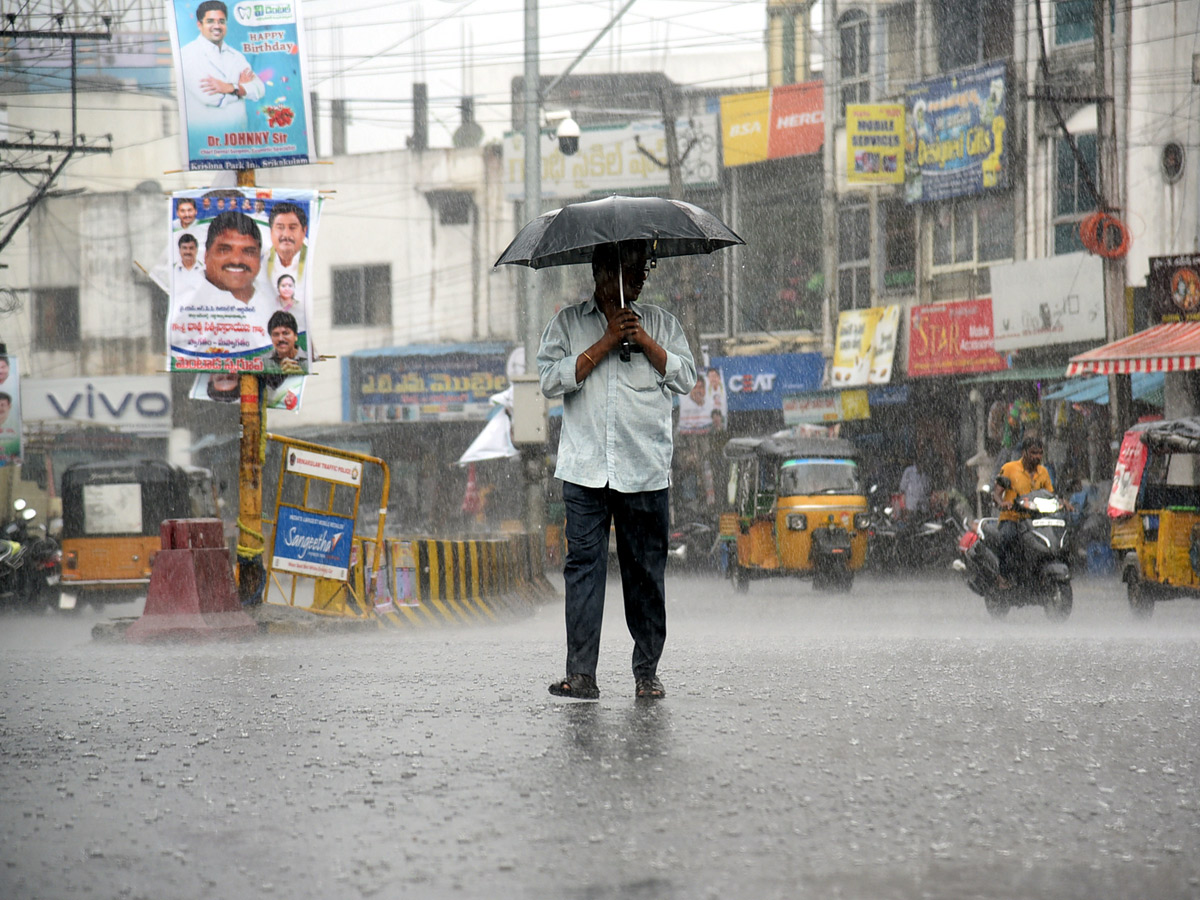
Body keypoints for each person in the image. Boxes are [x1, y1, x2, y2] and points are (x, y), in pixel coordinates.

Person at [537, 240, 697, 701]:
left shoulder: (663, 324)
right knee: (583, 569)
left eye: (644, 267)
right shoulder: (568, 324)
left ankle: (646, 672)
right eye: (631, 267)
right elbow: (549, 379)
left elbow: (685, 378)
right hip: (585, 472)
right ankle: (581, 675)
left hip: (644, 471)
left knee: (645, 574)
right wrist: (604, 344)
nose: (642, 276)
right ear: (601, 272)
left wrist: (644, 341)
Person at [179, 0, 265, 133]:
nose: (217, 26)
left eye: (221, 21)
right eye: (210, 21)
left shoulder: (236, 56)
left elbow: (259, 88)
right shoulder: (187, 55)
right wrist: (243, 90)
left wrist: (229, 88)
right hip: (208, 141)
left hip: (240, 139)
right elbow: (211, 98)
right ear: (199, 25)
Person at [993, 435, 1054, 586]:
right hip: (1012, 518)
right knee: (1007, 538)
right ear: (1024, 453)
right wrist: (1002, 503)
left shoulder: (1044, 472)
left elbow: (1050, 494)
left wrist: (1063, 503)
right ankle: (1003, 576)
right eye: (1033, 453)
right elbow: (996, 494)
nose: (1037, 457)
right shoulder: (1009, 468)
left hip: (1036, 521)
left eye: (1040, 453)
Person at [258, 201, 308, 295]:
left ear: (304, 231)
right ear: (271, 231)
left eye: (292, 228)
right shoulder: (261, 262)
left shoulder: (311, 260)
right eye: (280, 227)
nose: (286, 235)